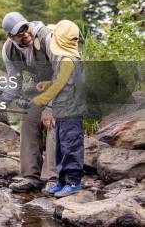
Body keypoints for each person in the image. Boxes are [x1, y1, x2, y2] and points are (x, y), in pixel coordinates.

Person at [0, 12, 57, 193]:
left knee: (54, 121)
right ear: (10, 36)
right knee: (28, 120)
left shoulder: (48, 38)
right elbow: (14, 84)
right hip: (43, 89)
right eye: (20, 32)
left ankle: (54, 177)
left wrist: (50, 108)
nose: (26, 33)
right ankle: (31, 177)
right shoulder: (8, 50)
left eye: (26, 27)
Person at [31, 20, 85, 198]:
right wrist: (46, 83)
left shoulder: (69, 61)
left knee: (71, 147)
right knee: (60, 148)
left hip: (71, 113)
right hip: (62, 113)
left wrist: (41, 99)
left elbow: (59, 86)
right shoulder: (64, 60)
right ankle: (61, 180)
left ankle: (73, 182)